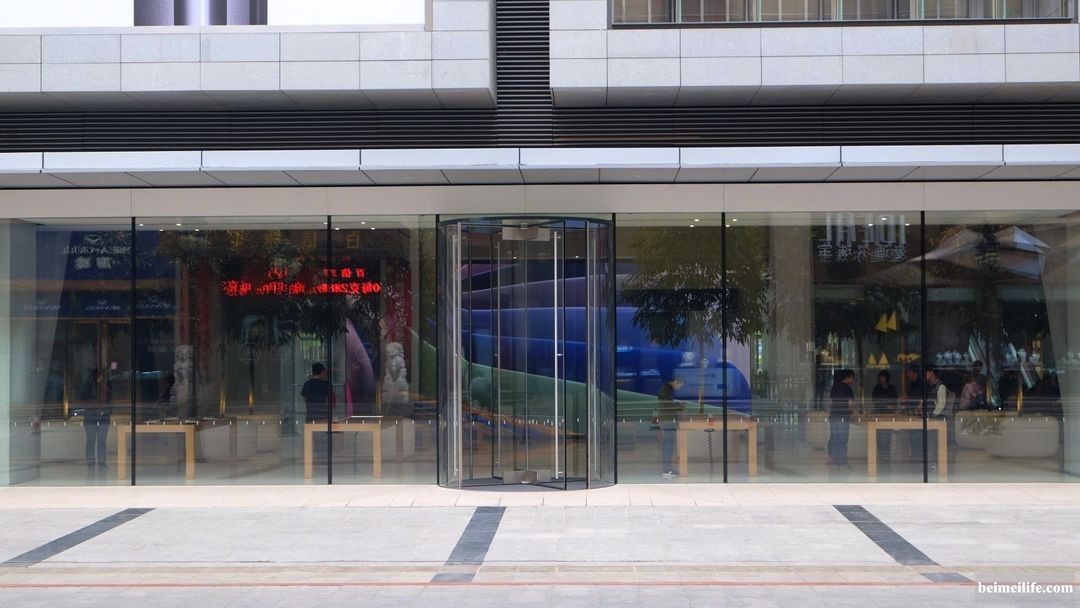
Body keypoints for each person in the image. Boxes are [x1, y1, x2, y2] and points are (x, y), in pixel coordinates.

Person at [302, 362, 333, 464]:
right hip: (323, 417)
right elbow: (331, 400)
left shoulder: (307, 384)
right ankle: (323, 460)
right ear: (321, 373)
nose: (325, 375)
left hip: (310, 417)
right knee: (323, 440)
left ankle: (313, 461)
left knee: (312, 440)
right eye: (324, 373)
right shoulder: (326, 385)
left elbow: (304, 398)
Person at [925, 366, 954, 471]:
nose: (925, 375)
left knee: (936, 440)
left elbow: (941, 404)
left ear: (931, 373)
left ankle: (937, 463)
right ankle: (934, 462)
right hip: (933, 417)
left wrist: (933, 414)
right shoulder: (931, 386)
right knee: (933, 441)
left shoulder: (940, 386)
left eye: (926, 373)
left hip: (938, 418)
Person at [82, 368, 111, 471]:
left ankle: (94, 463)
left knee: (95, 440)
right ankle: (97, 463)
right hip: (95, 417)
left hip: (96, 417)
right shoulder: (94, 386)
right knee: (97, 441)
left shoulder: (100, 386)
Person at [655, 377, 685, 477]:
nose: (678, 388)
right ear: (675, 382)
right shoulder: (665, 390)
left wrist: (677, 403)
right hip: (668, 421)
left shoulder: (667, 390)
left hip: (668, 420)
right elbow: (665, 406)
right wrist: (679, 405)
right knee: (669, 445)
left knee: (669, 445)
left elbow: (667, 403)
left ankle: (668, 468)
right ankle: (666, 470)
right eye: (679, 386)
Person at [827, 369, 855, 469]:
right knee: (843, 440)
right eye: (852, 377)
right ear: (848, 377)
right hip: (843, 417)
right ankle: (842, 463)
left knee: (835, 439)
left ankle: (835, 463)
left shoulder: (834, 387)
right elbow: (850, 405)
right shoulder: (848, 389)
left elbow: (830, 403)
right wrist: (851, 412)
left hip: (833, 417)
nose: (853, 380)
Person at [871, 370, 898, 466]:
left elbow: (895, 400)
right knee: (880, 435)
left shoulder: (891, 388)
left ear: (887, 378)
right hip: (880, 414)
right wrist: (886, 406)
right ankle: (881, 454)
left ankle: (887, 454)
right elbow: (876, 401)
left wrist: (891, 406)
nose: (881, 379)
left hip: (890, 415)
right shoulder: (876, 388)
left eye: (883, 377)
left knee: (888, 434)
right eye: (880, 377)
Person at [900, 365, 924, 461]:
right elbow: (909, 395)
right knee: (912, 436)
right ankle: (914, 455)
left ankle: (918, 456)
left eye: (909, 372)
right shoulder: (912, 383)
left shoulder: (921, 384)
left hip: (917, 414)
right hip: (912, 413)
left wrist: (908, 399)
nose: (908, 374)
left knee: (917, 436)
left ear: (915, 373)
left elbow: (919, 399)